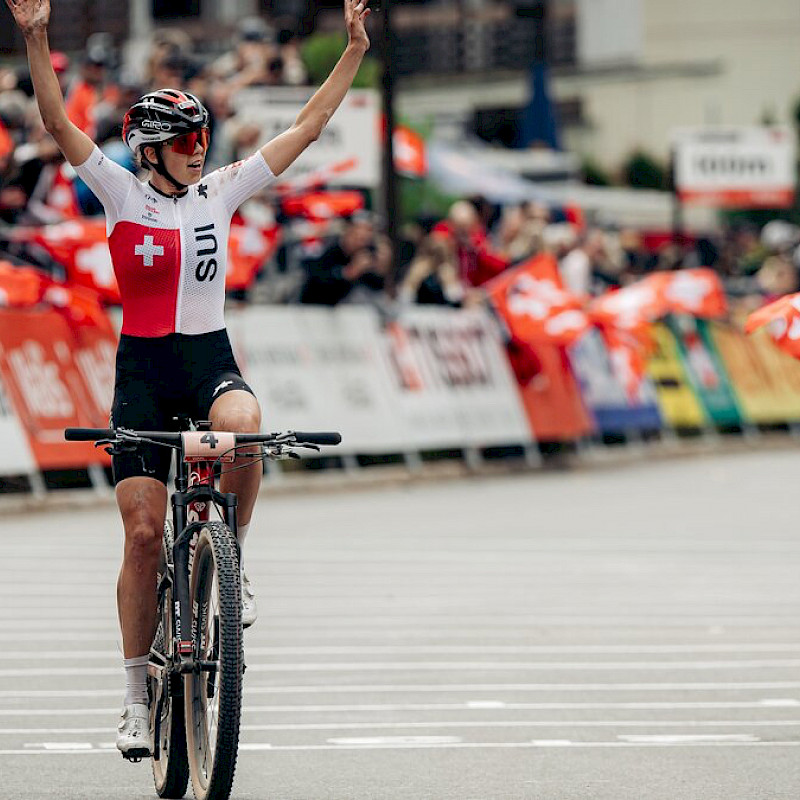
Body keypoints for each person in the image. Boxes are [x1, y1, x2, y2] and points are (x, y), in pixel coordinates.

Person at [5, 0, 372, 760]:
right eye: (185, 141)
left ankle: (230, 558)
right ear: (150, 150)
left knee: (246, 426)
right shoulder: (120, 191)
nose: (200, 150)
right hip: (143, 371)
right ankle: (135, 698)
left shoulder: (221, 190)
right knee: (143, 535)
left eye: (203, 137)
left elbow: (306, 127)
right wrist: (36, 37)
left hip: (209, 361)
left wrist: (354, 49)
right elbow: (57, 122)